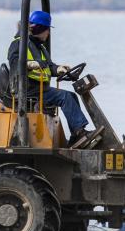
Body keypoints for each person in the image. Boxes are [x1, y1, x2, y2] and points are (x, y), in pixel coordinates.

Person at [7, 10, 93, 145]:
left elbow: (48, 66)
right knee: (65, 97)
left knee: (72, 96)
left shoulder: (40, 48)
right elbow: (14, 63)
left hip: (40, 89)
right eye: (47, 29)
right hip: (28, 90)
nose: (48, 33)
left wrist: (58, 69)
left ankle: (77, 133)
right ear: (39, 28)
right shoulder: (18, 44)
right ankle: (79, 132)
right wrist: (28, 64)